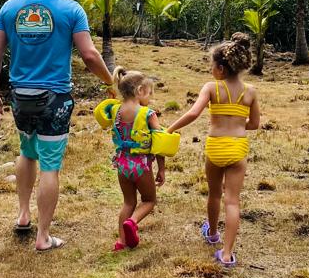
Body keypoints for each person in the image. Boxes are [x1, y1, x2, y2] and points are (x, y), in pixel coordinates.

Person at [0, 0, 116, 251]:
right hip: (54, 97)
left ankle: (22, 216)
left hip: (20, 95)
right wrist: (111, 82)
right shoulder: (71, 10)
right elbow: (89, 54)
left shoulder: (10, 6)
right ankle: (43, 236)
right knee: (50, 165)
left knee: (27, 151)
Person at [166, 33, 260, 266]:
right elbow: (255, 124)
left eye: (212, 66)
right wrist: (238, 124)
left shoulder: (211, 88)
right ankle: (227, 255)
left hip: (216, 147)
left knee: (214, 193)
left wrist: (171, 129)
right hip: (238, 148)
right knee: (232, 201)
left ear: (220, 68)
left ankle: (212, 234)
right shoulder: (250, 91)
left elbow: (193, 113)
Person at [95, 68, 166, 252]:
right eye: (149, 93)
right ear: (140, 90)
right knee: (149, 200)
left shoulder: (116, 110)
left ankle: (121, 241)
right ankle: (133, 222)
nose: (149, 97)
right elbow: (160, 143)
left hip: (122, 164)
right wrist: (161, 169)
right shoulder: (148, 114)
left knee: (128, 202)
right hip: (141, 164)